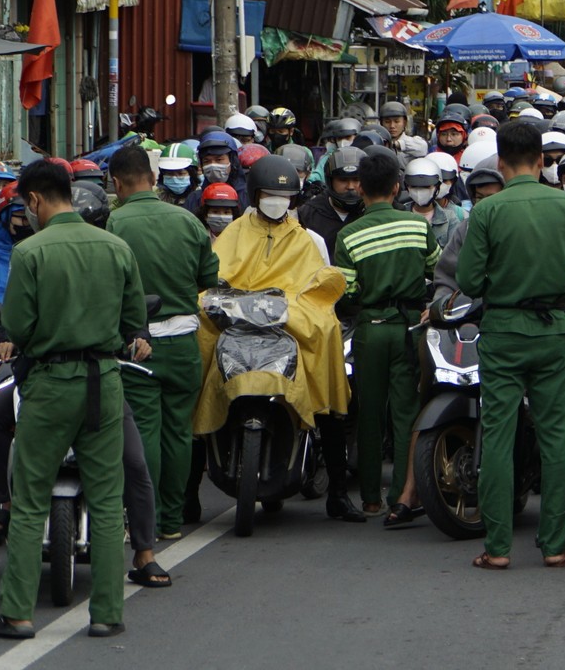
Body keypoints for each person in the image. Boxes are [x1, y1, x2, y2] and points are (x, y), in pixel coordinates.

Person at [0, 158, 148, 640]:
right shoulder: (116, 247)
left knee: (30, 498)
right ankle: (107, 614)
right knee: (107, 497)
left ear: (34, 200)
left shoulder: (30, 253)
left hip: (51, 385)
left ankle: (17, 613)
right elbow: (133, 319)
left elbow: (17, 327)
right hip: (105, 381)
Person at [455, 121, 565, 569]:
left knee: (499, 434)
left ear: (500, 164)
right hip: (554, 330)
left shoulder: (486, 211)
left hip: (502, 331)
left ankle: (497, 548)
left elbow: (467, 281)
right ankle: (555, 546)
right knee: (554, 436)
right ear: (542, 161)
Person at [196, 154, 357, 518]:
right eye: (270, 195)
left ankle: (338, 492)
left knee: (329, 342)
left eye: (284, 197)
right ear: (255, 194)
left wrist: (308, 305)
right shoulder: (233, 233)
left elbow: (319, 283)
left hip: (289, 327)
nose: (277, 203)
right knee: (199, 361)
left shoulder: (307, 239)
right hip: (237, 325)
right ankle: (190, 492)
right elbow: (213, 279)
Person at [106, 144, 217, 546]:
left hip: (138, 345)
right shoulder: (188, 221)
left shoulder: (115, 225)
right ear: (154, 180)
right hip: (186, 342)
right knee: (179, 433)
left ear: (116, 183)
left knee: (144, 435)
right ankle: (172, 519)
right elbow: (209, 276)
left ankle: (146, 523)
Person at [334, 150, 437, 524]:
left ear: (360, 188)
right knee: (407, 413)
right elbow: (435, 268)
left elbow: (346, 293)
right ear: (397, 188)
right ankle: (401, 496)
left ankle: (370, 498)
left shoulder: (348, 235)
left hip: (370, 329)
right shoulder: (417, 226)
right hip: (410, 329)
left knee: (369, 413)